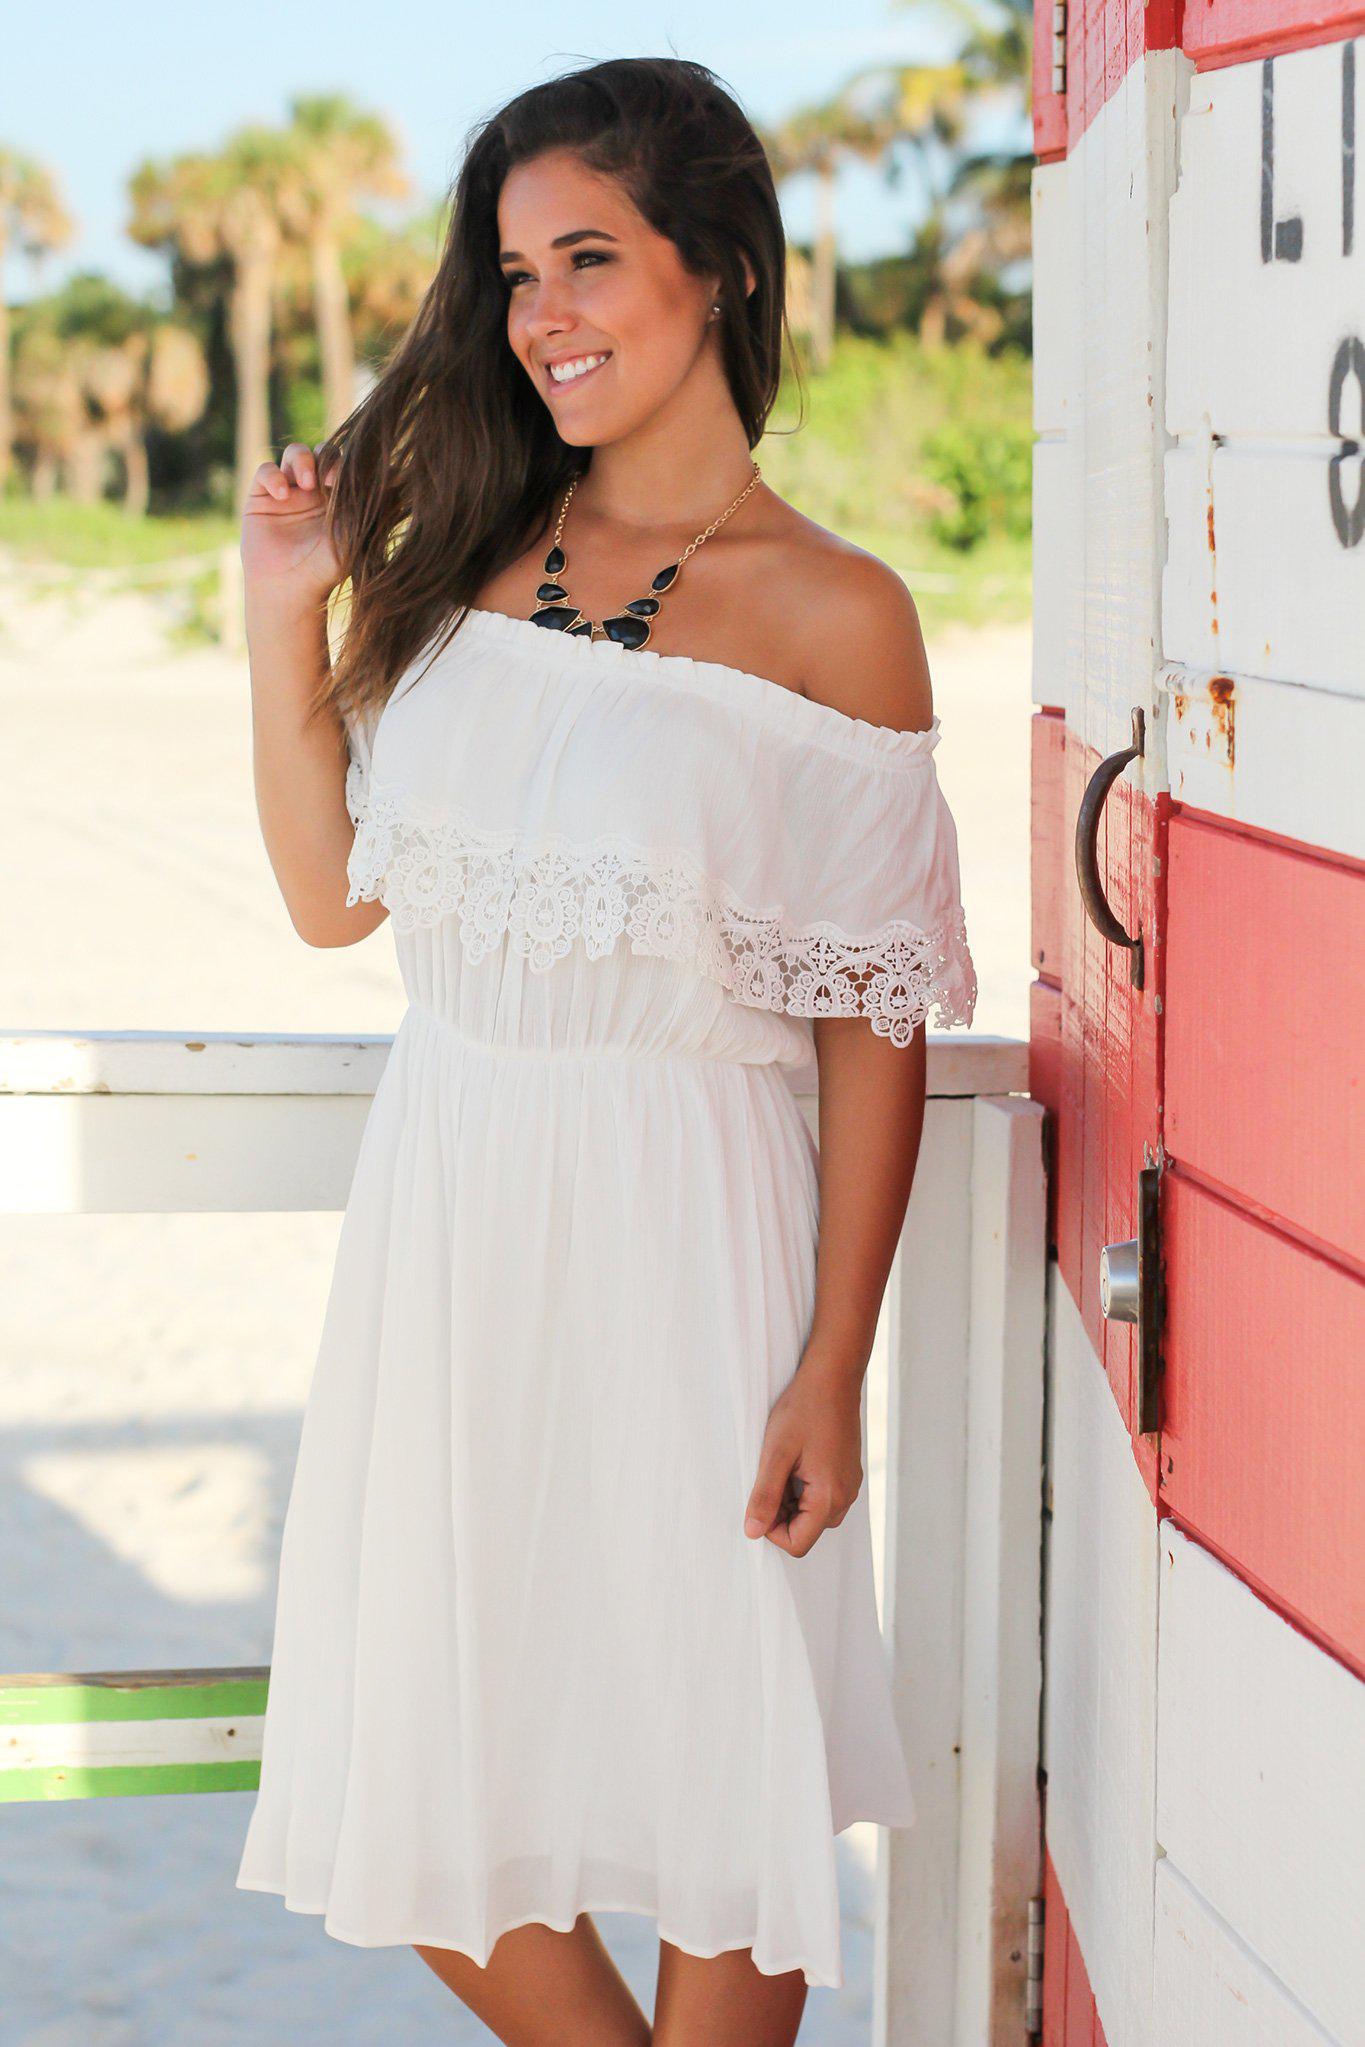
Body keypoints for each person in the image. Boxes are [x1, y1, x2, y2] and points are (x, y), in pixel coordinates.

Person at [233, 53, 976, 2047]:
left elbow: (876, 1016)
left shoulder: (835, 612)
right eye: (509, 273)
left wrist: (834, 1356)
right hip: (454, 1229)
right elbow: (330, 898)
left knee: (713, 1755)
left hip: (695, 1240)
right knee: (414, 1766)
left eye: (586, 259)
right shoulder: (459, 553)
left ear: (717, 267)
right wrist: (280, 608)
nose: (540, 314)